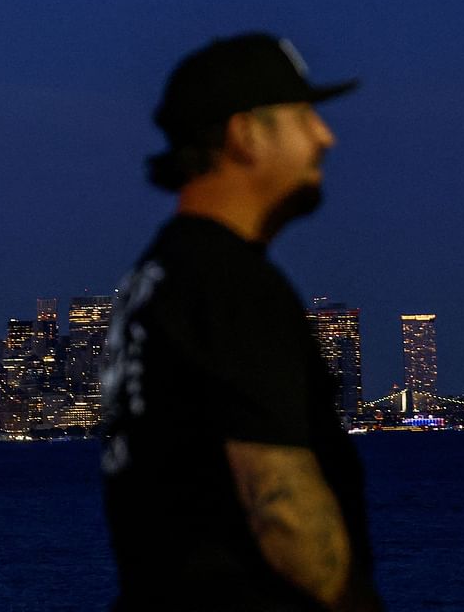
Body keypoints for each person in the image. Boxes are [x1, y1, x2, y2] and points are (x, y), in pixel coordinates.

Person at [101, 33, 383, 611]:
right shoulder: (227, 283)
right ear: (246, 134)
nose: (325, 137)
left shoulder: (152, 282)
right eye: (304, 115)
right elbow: (281, 510)